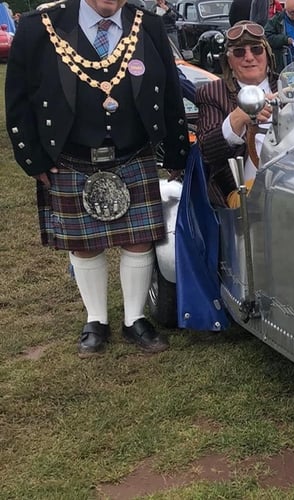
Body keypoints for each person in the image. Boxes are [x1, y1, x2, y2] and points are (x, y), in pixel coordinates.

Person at [5, 0, 190, 357]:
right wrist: (34, 158)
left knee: (138, 239)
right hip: (71, 154)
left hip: (133, 151)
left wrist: (176, 151)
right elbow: (18, 98)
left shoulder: (146, 24)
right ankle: (96, 320)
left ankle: (135, 319)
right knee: (84, 243)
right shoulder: (39, 27)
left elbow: (169, 90)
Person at [195, 21, 277, 207]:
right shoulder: (213, 93)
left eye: (256, 50)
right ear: (229, 61)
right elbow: (208, 152)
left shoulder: (288, 85)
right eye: (239, 52)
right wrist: (238, 118)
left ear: (268, 56)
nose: (249, 57)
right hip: (241, 193)